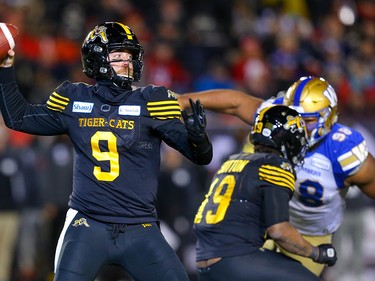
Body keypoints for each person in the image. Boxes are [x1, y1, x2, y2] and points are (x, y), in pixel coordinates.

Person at [0, 21, 213, 281]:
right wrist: (5, 69)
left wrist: (198, 137)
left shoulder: (152, 101)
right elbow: (18, 118)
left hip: (140, 227)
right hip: (88, 225)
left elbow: (202, 157)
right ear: (98, 59)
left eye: (130, 56)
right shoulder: (74, 97)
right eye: (119, 56)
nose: (127, 62)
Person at [178, 76, 375, 276]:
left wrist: (314, 251)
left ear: (328, 117)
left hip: (308, 233)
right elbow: (235, 103)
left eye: (307, 120)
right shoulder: (277, 117)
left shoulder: (342, 151)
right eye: (293, 116)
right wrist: (183, 100)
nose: (298, 124)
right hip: (261, 225)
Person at [193, 105, 337, 281]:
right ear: (287, 140)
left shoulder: (232, 162)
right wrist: (317, 252)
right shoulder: (275, 166)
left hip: (204, 262)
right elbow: (279, 230)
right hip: (235, 259)